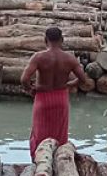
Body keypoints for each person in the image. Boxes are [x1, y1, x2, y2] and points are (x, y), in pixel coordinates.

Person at [20, 26, 94, 158]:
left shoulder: (39, 57)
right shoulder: (69, 58)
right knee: (59, 136)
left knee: (39, 135)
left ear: (45, 40)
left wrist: (30, 89)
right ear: (62, 40)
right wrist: (68, 85)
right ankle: (60, 164)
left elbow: (24, 79)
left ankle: (39, 165)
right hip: (61, 98)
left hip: (42, 98)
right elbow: (83, 79)